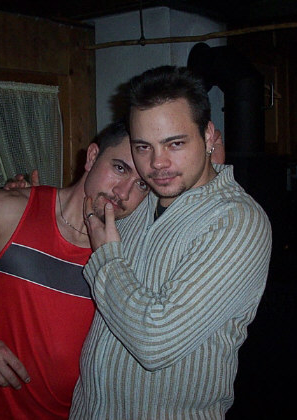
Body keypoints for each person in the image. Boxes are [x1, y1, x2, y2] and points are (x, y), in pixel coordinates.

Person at [0, 120, 149, 420]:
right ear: (92, 156)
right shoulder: (8, 211)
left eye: (142, 184)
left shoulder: (131, 254)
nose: (124, 192)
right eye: (120, 168)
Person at [70, 66, 272, 419]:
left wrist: (106, 259)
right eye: (143, 147)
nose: (157, 163)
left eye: (175, 143)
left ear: (208, 136)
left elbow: (155, 342)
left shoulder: (237, 221)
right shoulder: (141, 199)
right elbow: (80, 212)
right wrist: (28, 197)